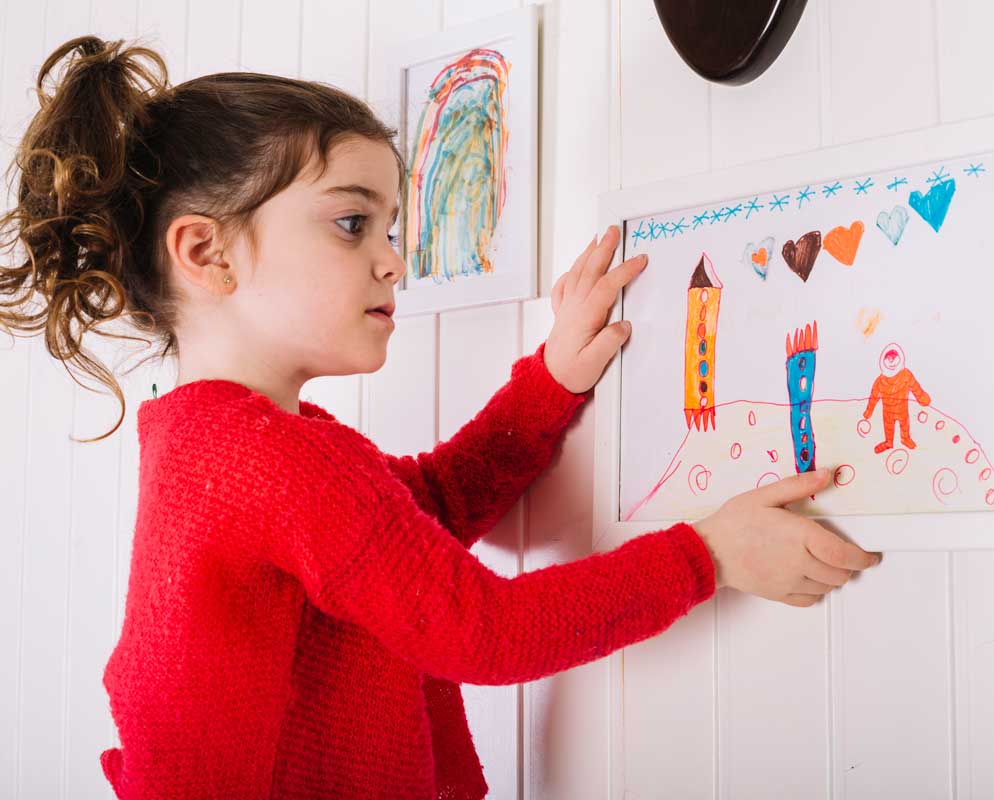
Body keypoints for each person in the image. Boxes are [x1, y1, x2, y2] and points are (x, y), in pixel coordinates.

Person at [0, 35, 882, 799]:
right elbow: (483, 633)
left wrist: (551, 381)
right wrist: (708, 553)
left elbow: (423, 508)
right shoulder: (264, 457)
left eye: (391, 228)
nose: (394, 262)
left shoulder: (218, 440)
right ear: (206, 252)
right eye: (353, 223)